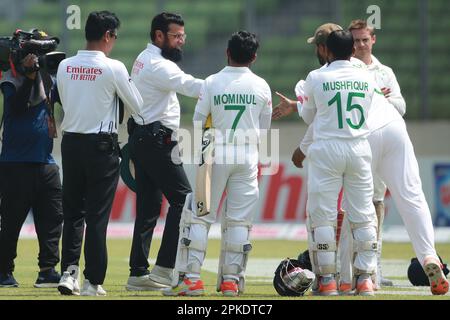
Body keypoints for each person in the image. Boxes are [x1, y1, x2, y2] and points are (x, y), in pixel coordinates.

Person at [337, 20, 449, 295]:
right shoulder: (365, 72)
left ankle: (348, 276)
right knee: (412, 196)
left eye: (365, 40)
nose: (360, 45)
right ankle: (429, 257)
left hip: (366, 135)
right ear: (350, 45)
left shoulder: (337, 71)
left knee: (357, 206)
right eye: (356, 41)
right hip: (395, 131)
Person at [164, 30, 272, 297]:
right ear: (254, 57)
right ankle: (230, 282)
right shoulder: (262, 86)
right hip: (247, 158)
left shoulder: (211, 82)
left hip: (214, 155)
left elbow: (200, 121)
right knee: (238, 222)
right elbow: (265, 129)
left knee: (200, 218)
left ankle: (191, 281)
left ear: (227, 52)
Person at [55, 10, 143, 296]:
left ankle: (68, 272)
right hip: (101, 147)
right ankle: (93, 281)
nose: (114, 42)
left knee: (72, 213)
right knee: (96, 216)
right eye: (114, 37)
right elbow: (138, 104)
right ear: (107, 35)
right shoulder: (113, 67)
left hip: (71, 144)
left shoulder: (65, 65)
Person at [125, 12, 203, 291]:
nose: (182, 41)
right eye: (176, 36)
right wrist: (227, 86)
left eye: (183, 35)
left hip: (144, 137)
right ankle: (163, 269)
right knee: (184, 200)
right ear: (159, 36)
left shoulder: (144, 58)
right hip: (158, 140)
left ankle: (138, 273)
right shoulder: (159, 66)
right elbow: (192, 86)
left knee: (148, 208)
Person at [300, 30, 379, 296]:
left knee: (323, 216)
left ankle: (327, 281)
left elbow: (309, 116)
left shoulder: (316, 76)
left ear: (328, 52)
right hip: (359, 147)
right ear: (353, 51)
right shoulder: (367, 76)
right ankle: (365, 279)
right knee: (363, 214)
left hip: (326, 148)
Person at [0, 31, 63, 289]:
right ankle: (4, 272)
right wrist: (28, 76)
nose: (39, 60)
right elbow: (15, 107)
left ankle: (48, 270)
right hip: (15, 162)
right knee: (11, 221)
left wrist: (41, 73)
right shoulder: (10, 78)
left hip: (45, 160)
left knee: (52, 219)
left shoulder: (49, 78)